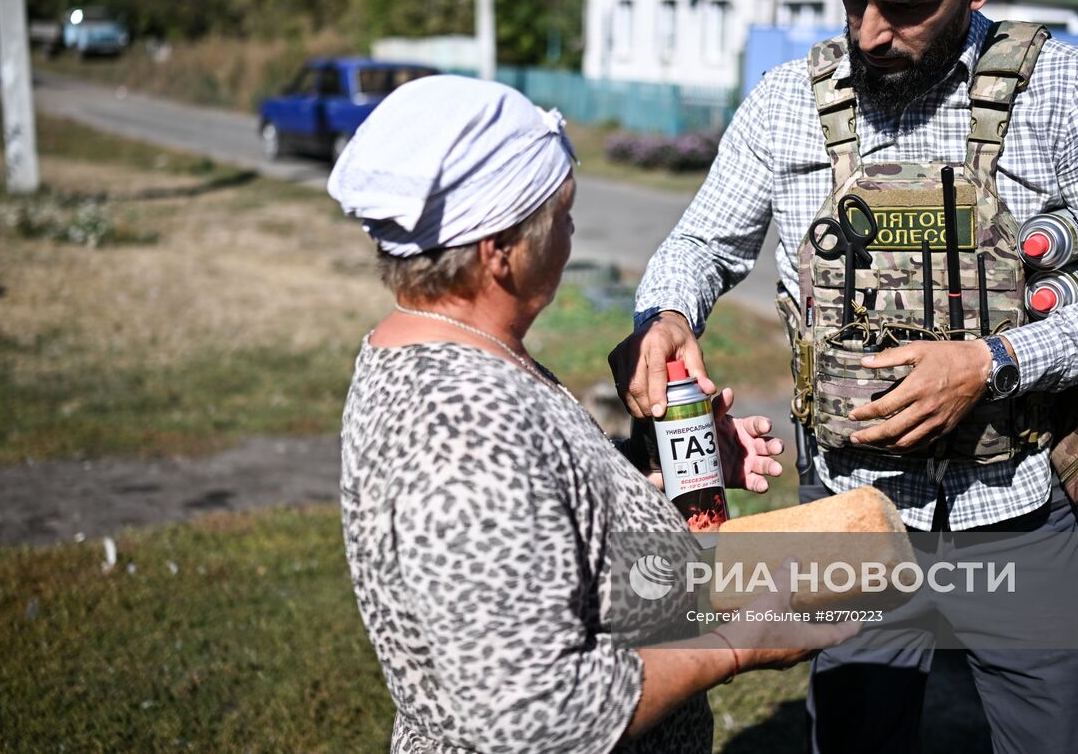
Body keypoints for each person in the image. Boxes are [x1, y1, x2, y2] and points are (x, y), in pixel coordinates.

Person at [610, 0, 1078, 754]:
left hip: (1014, 506)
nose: (869, 32)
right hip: (848, 509)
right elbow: (702, 243)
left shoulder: (1069, 93)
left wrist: (992, 363)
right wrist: (666, 313)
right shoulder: (788, 101)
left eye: (906, 7)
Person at [328, 75, 858, 754]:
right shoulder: (459, 430)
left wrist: (669, 473)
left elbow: (541, 528)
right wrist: (737, 645)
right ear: (500, 252)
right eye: (564, 214)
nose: (573, 232)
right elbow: (539, 715)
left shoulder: (454, 351)